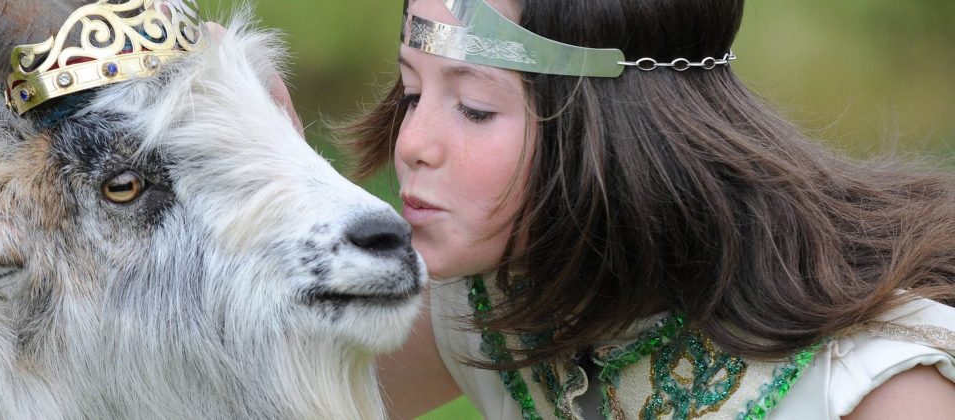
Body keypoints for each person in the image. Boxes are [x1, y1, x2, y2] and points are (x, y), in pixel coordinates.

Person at [278, 0, 955, 418]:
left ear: (617, 129)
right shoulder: (482, 298)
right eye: (411, 91)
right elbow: (255, 393)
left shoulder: (881, 388)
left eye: (475, 108)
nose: (414, 142)